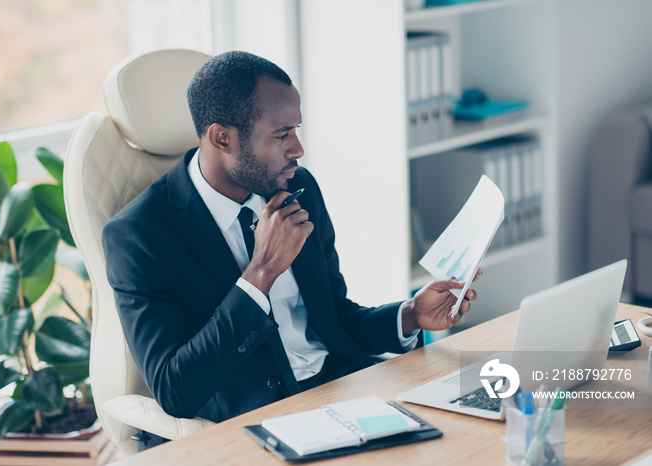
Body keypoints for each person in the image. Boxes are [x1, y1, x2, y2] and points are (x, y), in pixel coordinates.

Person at [102, 51, 479, 424]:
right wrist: (260, 273)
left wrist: (411, 315)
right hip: (257, 421)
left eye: (296, 129)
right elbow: (175, 390)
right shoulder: (138, 236)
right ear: (221, 138)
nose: (298, 149)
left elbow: (334, 318)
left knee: (489, 420)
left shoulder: (297, 188)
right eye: (282, 134)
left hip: (346, 389)